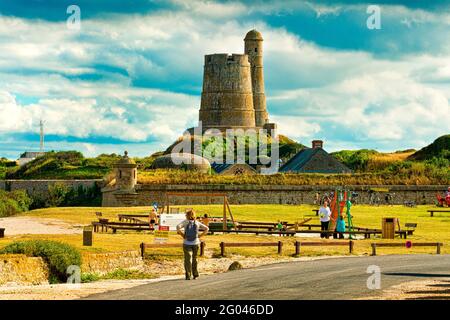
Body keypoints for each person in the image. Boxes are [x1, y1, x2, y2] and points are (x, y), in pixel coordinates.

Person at [176, 210, 209, 280]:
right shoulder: (197, 222)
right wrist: (200, 236)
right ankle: (195, 274)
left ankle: (188, 275)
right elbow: (207, 228)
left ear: (187, 215)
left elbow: (178, 227)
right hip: (196, 243)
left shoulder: (185, 222)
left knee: (187, 259)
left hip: (186, 243)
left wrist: (182, 235)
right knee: (195, 259)